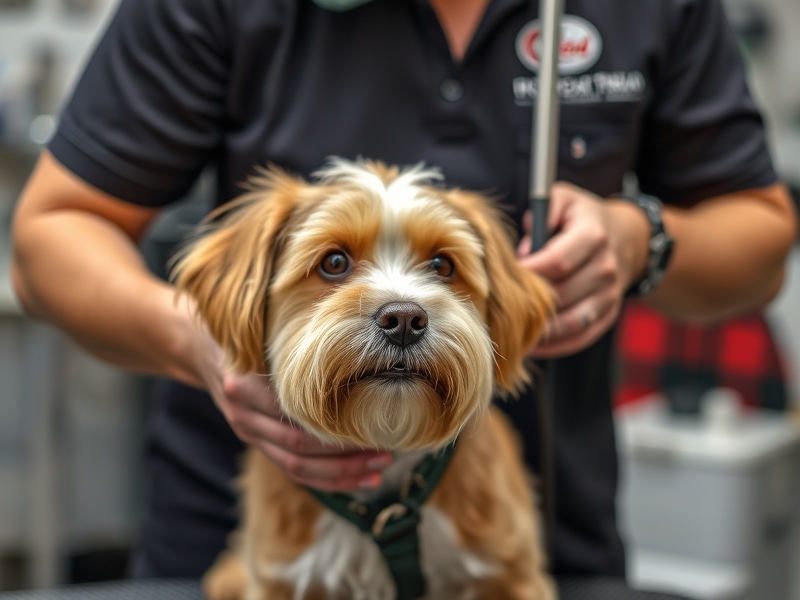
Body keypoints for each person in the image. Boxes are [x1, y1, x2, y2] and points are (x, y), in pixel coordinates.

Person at [11, 0, 797, 582]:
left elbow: (762, 234)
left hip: (539, 532)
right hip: (238, 534)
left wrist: (637, 239)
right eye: (334, 267)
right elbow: (52, 233)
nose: (399, 305)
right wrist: (196, 341)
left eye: (440, 272)